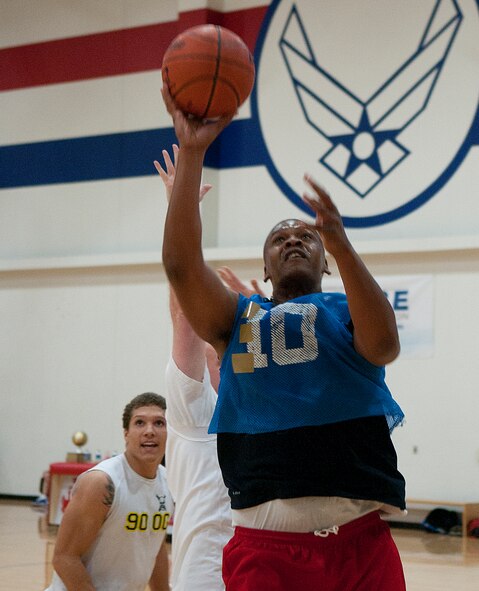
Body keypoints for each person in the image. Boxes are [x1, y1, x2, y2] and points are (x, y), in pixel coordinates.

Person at [160, 85, 407, 591]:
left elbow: (385, 347)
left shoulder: (348, 308)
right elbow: (183, 268)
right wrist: (192, 153)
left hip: (361, 543)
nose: (293, 239)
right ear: (267, 269)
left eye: (306, 237)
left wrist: (341, 241)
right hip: (266, 550)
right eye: (279, 238)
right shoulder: (238, 319)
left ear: (326, 261)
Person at [154, 146, 264, 591]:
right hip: (204, 570)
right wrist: (182, 209)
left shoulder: (253, 407)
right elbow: (184, 312)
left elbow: (255, 363)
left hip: (257, 560)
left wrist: (256, 312)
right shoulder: (195, 409)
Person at [46, 392, 173, 591]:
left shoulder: (168, 481)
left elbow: (155, 549)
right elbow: (64, 558)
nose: (150, 431)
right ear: (126, 433)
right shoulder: (101, 482)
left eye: (159, 423)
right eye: (139, 423)